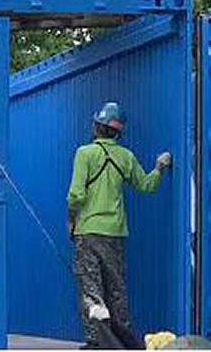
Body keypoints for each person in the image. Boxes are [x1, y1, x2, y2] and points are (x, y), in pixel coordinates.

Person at [67, 102, 171, 350]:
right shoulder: (126, 157)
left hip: (88, 231)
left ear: (97, 126)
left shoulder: (85, 153)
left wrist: (71, 220)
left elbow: (76, 195)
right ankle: (121, 341)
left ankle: (96, 343)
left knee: (91, 290)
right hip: (115, 233)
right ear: (117, 132)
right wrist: (159, 167)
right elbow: (147, 185)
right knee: (116, 289)